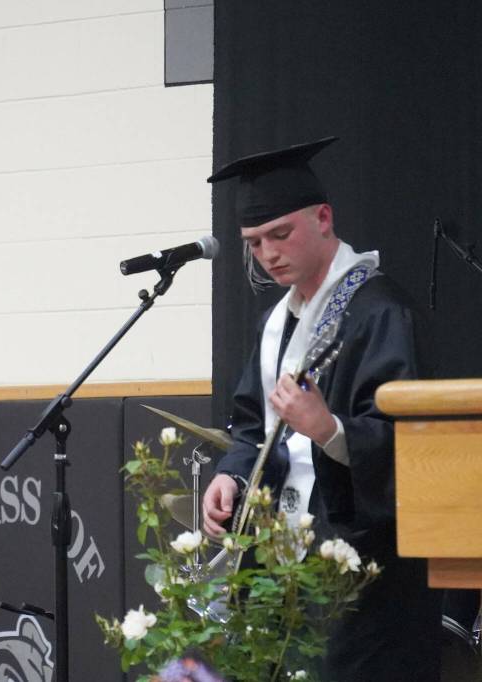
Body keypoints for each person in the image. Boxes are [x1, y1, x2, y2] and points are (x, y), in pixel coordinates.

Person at [201, 138, 441, 680]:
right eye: (255, 242)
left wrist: (330, 430)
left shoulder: (382, 313)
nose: (268, 254)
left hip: (363, 569)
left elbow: (414, 448)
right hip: (286, 557)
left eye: (280, 234)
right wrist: (232, 475)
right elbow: (250, 424)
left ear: (324, 218)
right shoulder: (276, 325)